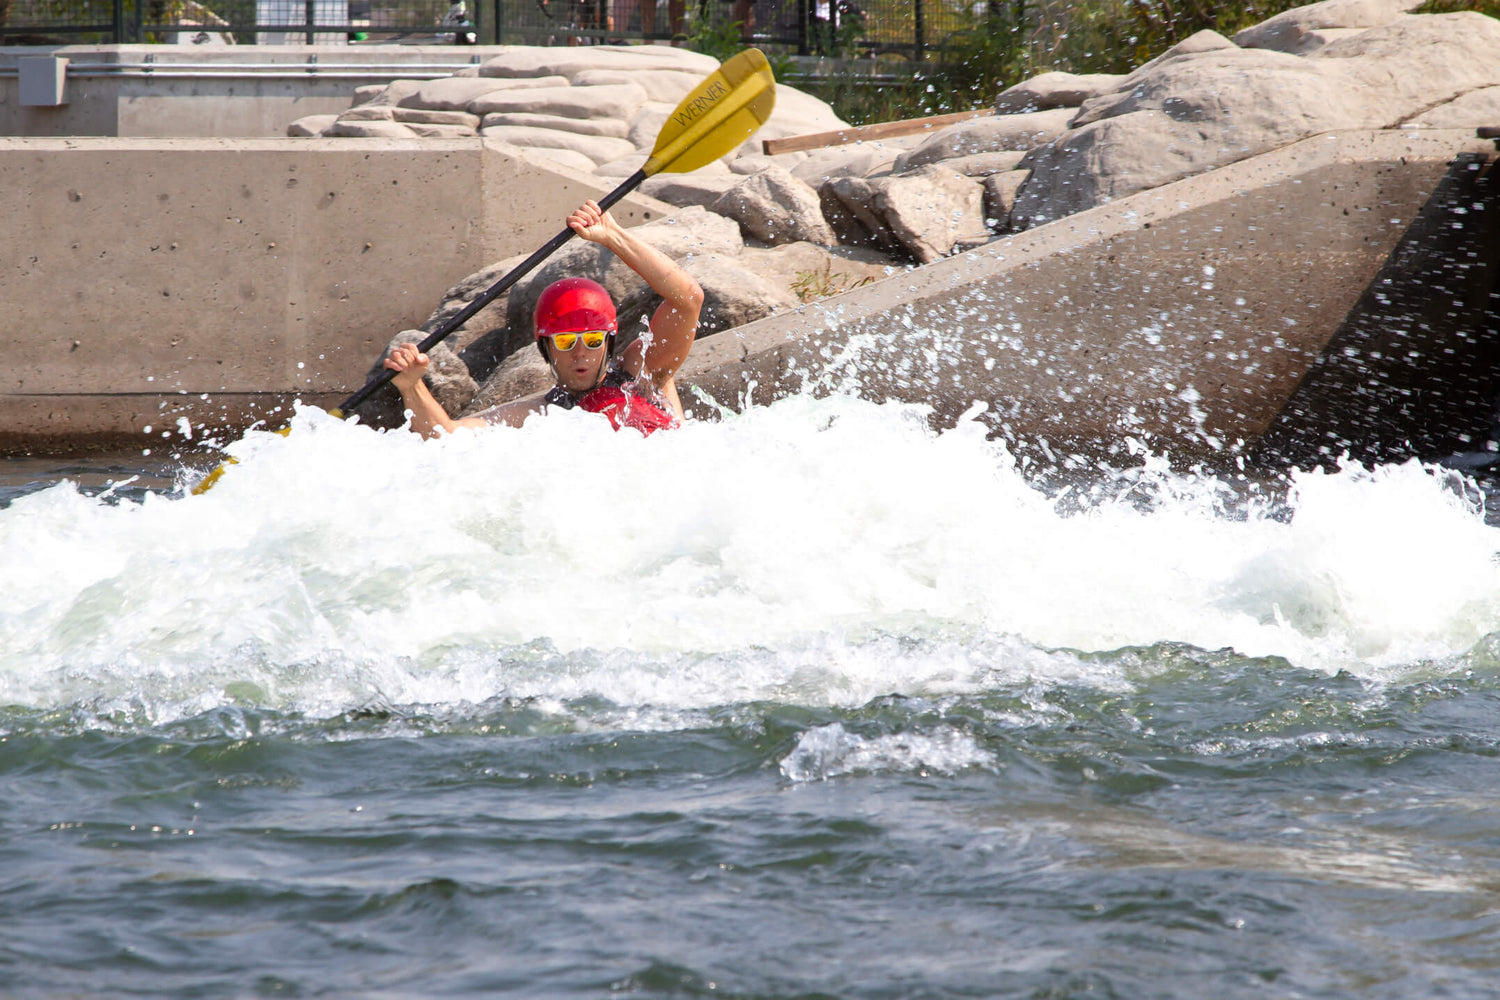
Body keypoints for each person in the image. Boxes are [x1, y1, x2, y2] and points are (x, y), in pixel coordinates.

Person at [382, 199, 703, 438]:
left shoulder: (643, 374)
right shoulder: (539, 416)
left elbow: (689, 298)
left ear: (609, 342)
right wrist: (413, 388)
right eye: (566, 342)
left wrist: (613, 236)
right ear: (546, 348)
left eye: (592, 341)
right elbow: (448, 440)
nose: (581, 354)